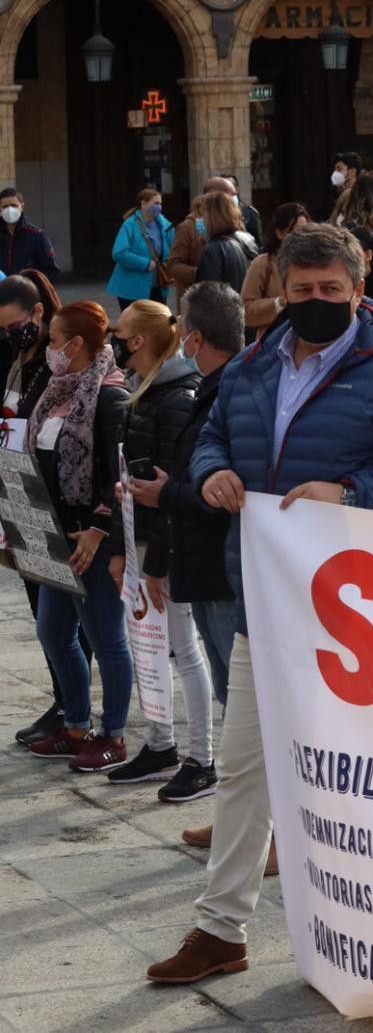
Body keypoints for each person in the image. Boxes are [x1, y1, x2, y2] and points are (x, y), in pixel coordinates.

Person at [146, 223, 373, 985]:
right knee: (244, 768)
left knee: (368, 773)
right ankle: (220, 927)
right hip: (271, 593)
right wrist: (217, 472)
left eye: (330, 291)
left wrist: (349, 493)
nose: (315, 302)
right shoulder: (255, 364)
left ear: (358, 290)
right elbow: (216, 434)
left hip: (362, 612)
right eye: (301, 291)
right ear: (278, 294)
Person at [106, 299, 215, 797]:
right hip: (141, 535)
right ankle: (160, 743)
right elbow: (131, 475)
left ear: (141, 340)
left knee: (184, 649)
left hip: (166, 543)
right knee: (150, 647)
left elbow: (172, 484)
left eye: (123, 333)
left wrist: (154, 559)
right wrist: (122, 547)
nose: (116, 341)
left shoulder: (177, 396)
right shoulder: (143, 389)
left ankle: (202, 757)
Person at [23, 302, 134, 773]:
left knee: (105, 637)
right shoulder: (55, 389)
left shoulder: (109, 397)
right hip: (54, 534)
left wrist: (98, 530)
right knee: (53, 631)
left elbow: (117, 472)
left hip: (93, 539)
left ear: (76, 345)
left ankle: (114, 734)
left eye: (53, 341)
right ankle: (74, 724)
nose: (48, 349)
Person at [5, 273, 95, 749]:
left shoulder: (55, 361)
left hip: (48, 495)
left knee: (58, 615)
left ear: (37, 313)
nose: (8, 333)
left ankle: (72, 705)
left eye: (14, 324)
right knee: (39, 604)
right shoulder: (18, 355)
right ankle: (63, 698)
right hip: (17, 487)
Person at [147, 281, 243, 716]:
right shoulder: (213, 387)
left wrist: (165, 492)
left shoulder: (232, 394)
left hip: (224, 570)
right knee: (230, 696)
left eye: (183, 328)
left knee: (241, 700)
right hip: (204, 567)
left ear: (197, 337)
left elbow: (223, 495)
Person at [239, 203, 310, 334]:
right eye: (295, 231)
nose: (302, 236)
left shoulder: (314, 264)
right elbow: (245, 311)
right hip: (272, 344)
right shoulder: (263, 264)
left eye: (305, 231)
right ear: (279, 233)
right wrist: (278, 303)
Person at [109, 190, 174, 309]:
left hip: (158, 285)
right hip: (132, 288)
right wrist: (145, 264)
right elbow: (119, 253)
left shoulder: (164, 223)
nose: (159, 206)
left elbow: (174, 246)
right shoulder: (130, 224)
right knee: (135, 325)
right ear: (143, 203)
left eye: (160, 203)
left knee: (159, 323)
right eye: (156, 203)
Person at [194, 192, 257, 293]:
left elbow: (209, 294)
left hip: (223, 307)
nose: (200, 219)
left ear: (212, 216)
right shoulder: (245, 239)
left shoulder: (214, 249)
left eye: (203, 214)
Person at [0, 187, 61, 280]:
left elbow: (52, 271)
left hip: (28, 293)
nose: (9, 210)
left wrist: (29, 284)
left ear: (22, 207)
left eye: (14, 205)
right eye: (5, 206)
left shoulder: (37, 236)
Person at [164, 196, 207, 311]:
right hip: (193, 297)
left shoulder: (223, 225)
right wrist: (200, 273)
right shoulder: (188, 227)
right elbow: (173, 264)